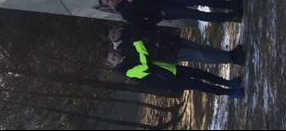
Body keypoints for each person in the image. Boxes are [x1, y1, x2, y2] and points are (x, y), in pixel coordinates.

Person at [105, 40, 245, 98]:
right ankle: (231, 92)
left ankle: (229, 83)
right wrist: (140, 46)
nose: (115, 56)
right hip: (169, 81)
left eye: (113, 54)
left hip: (171, 69)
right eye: (112, 59)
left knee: (201, 73)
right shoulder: (127, 71)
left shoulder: (127, 56)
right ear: (113, 65)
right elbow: (145, 66)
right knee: (200, 85)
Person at [104, 25, 245, 65]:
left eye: (113, 32)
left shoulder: (127, 28)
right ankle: (233, 59)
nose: (115, 34)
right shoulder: (122, 49)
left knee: (201, 48)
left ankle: (230, 54)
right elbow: (142, 54)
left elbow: (149, 29)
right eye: (112, 36)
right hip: (165, 52)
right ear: (111, 41)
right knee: (200, 55)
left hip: (169, 39)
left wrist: (169, 32)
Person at [98, 0, 243, 26]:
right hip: (166, 11)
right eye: (107, 1)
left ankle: (231, 5)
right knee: (198, 14)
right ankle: (231, 17)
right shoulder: (125, 13)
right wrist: (159, 16)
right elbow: (144, 24)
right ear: (109, 6)